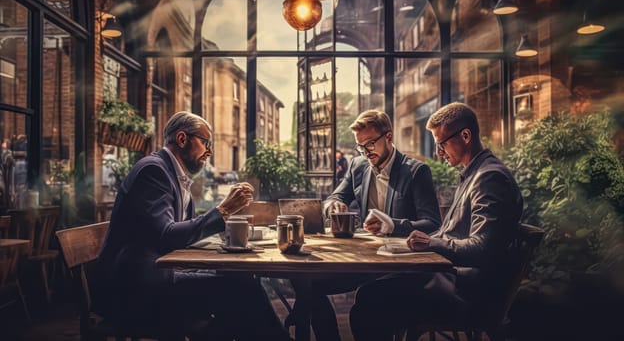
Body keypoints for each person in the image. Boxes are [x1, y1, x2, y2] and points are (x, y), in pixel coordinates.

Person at [98, 111, 291, 340]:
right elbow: (167, 236)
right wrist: (224, 210)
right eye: (205, 142)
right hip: (136, 292)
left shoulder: (173, 174)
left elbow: (182, 234)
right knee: (244, 292)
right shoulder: (154, 171)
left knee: (240, 286)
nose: (209, 151)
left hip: (158, 278)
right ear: (182, 139)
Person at [349, 102, 524, 341]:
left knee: (370, 299)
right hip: (453, 281)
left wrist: (431, 244)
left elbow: (483, 249)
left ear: (465, 135)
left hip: (465, 294)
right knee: (372, 292)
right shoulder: (476, 173)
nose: (438, 152)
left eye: (441, 143)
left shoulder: (489, 177)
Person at [290, 109, 441, 340]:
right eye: (360, 146)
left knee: (366, 307)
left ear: (388, 137)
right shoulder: (358, 165)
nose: (365, 152)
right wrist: (333, 206)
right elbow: (335, 196)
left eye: (370, 144)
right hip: (365, 261)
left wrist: (392, 225)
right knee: (309, 287)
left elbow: (432, 224)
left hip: (400, 266)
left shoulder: (416, 172)